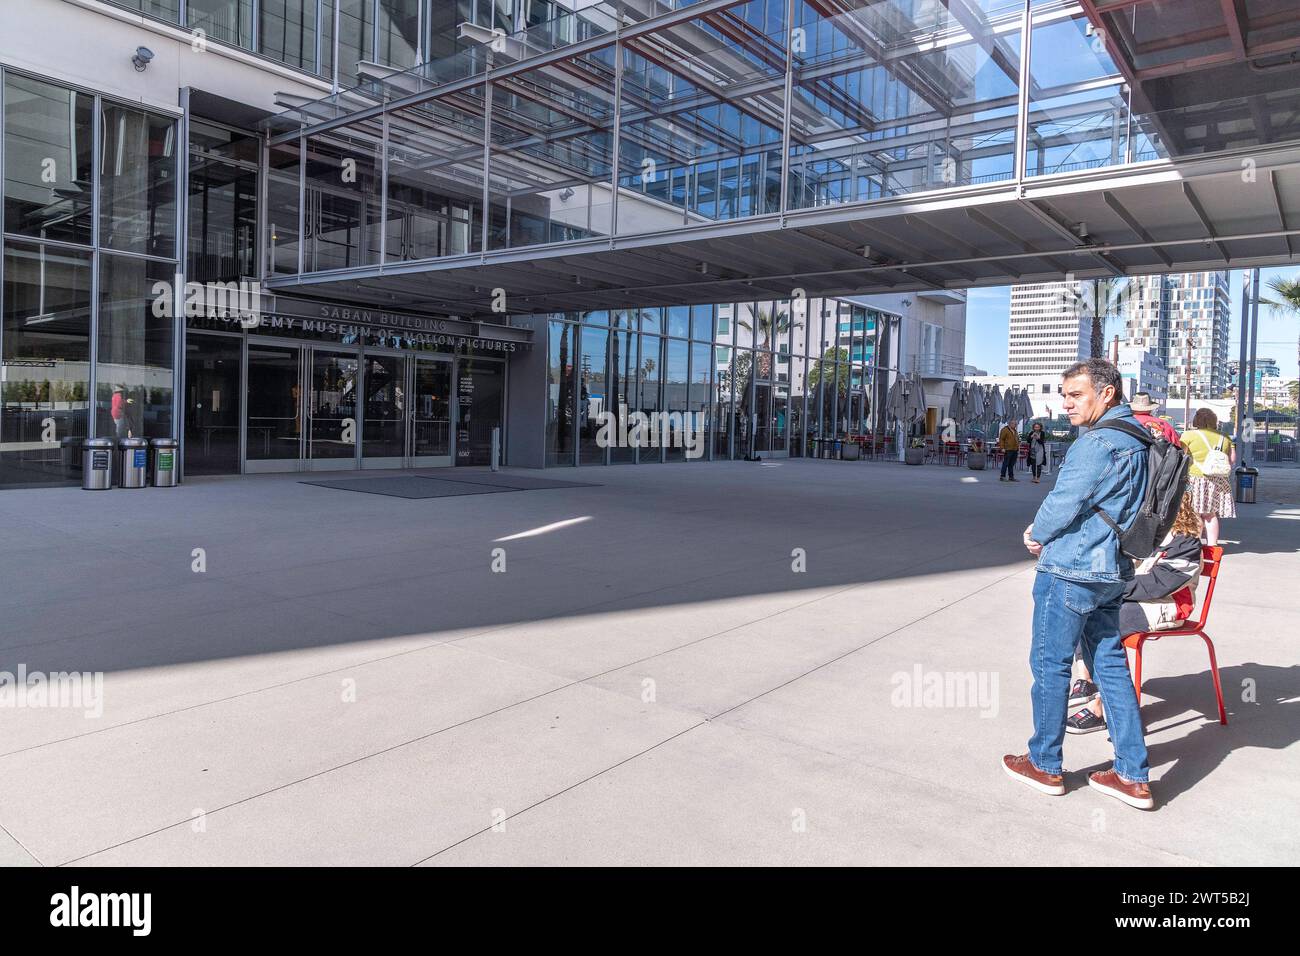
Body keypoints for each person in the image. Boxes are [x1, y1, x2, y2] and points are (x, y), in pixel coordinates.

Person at [1004, 358, 1154, 811]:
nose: (1066, 403)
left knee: (1050, 665)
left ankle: (1045, 764)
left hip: (1072, 569)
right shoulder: (1140, 439)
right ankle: (1132, 774)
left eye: (1076, 395)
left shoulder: (1097, 442)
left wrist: (1035, 533)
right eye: (1064, 395)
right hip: (1112, 570)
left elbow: (1063, 500)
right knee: (1110, 668)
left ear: (1106, 393)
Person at [1066, 493, 1203, 734]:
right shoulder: (1148, 533)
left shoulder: (1186, 540)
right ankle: (1085, 680)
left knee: (1105, 624)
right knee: (1082, 607)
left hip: (1169, 605)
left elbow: (1159, 584)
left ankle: (1102, 708)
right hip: (1136, 598)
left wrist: (1114, 587)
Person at [1180, 408, 1236, 547]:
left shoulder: (1188, 436)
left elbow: (1180, 456)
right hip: (1217, 480)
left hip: (1195, 478)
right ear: (1214, 421)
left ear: (1196, 420)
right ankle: (1212, 547)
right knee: (1210, 515)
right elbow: (1232, 459)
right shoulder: (1225, 437)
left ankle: (1194, 546)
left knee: (1195, 514)